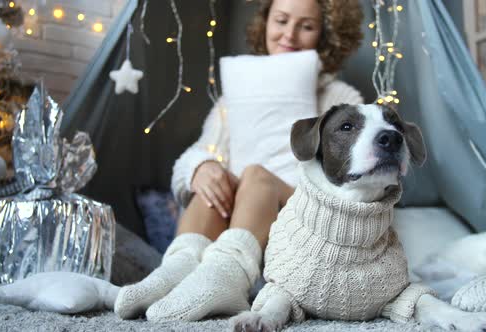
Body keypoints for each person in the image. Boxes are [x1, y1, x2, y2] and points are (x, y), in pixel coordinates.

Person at [115, 0, 365, 321]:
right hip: (234, 222)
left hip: (303, 223)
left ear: (324, 35)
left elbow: (351, 183)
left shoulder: (340, 99)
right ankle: (176, 271)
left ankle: (228, 274)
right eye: (282, 21)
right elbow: (198, 152)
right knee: (213, 181)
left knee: (256, 176)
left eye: (306, 26)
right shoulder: (238, 95)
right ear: (266, 24)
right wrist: (201, 168)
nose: (289, 34)